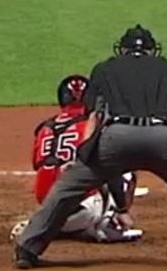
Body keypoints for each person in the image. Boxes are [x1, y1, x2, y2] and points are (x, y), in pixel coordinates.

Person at [12, 25, 167, 271]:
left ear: (122, 50)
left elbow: (94, 117)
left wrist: (83, 158)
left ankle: (27, 250)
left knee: (66, 190)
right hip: (161, 139)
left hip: (115, 140)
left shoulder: (103, 69)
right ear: (151, 50)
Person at [8, 74, 144, 245]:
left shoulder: (45, 127)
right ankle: (110, 225)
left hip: (47, 204)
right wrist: (122, 209)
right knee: (124, 168)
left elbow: (38, 164)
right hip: (82, 211)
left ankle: (46, 224)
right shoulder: (94, 126)